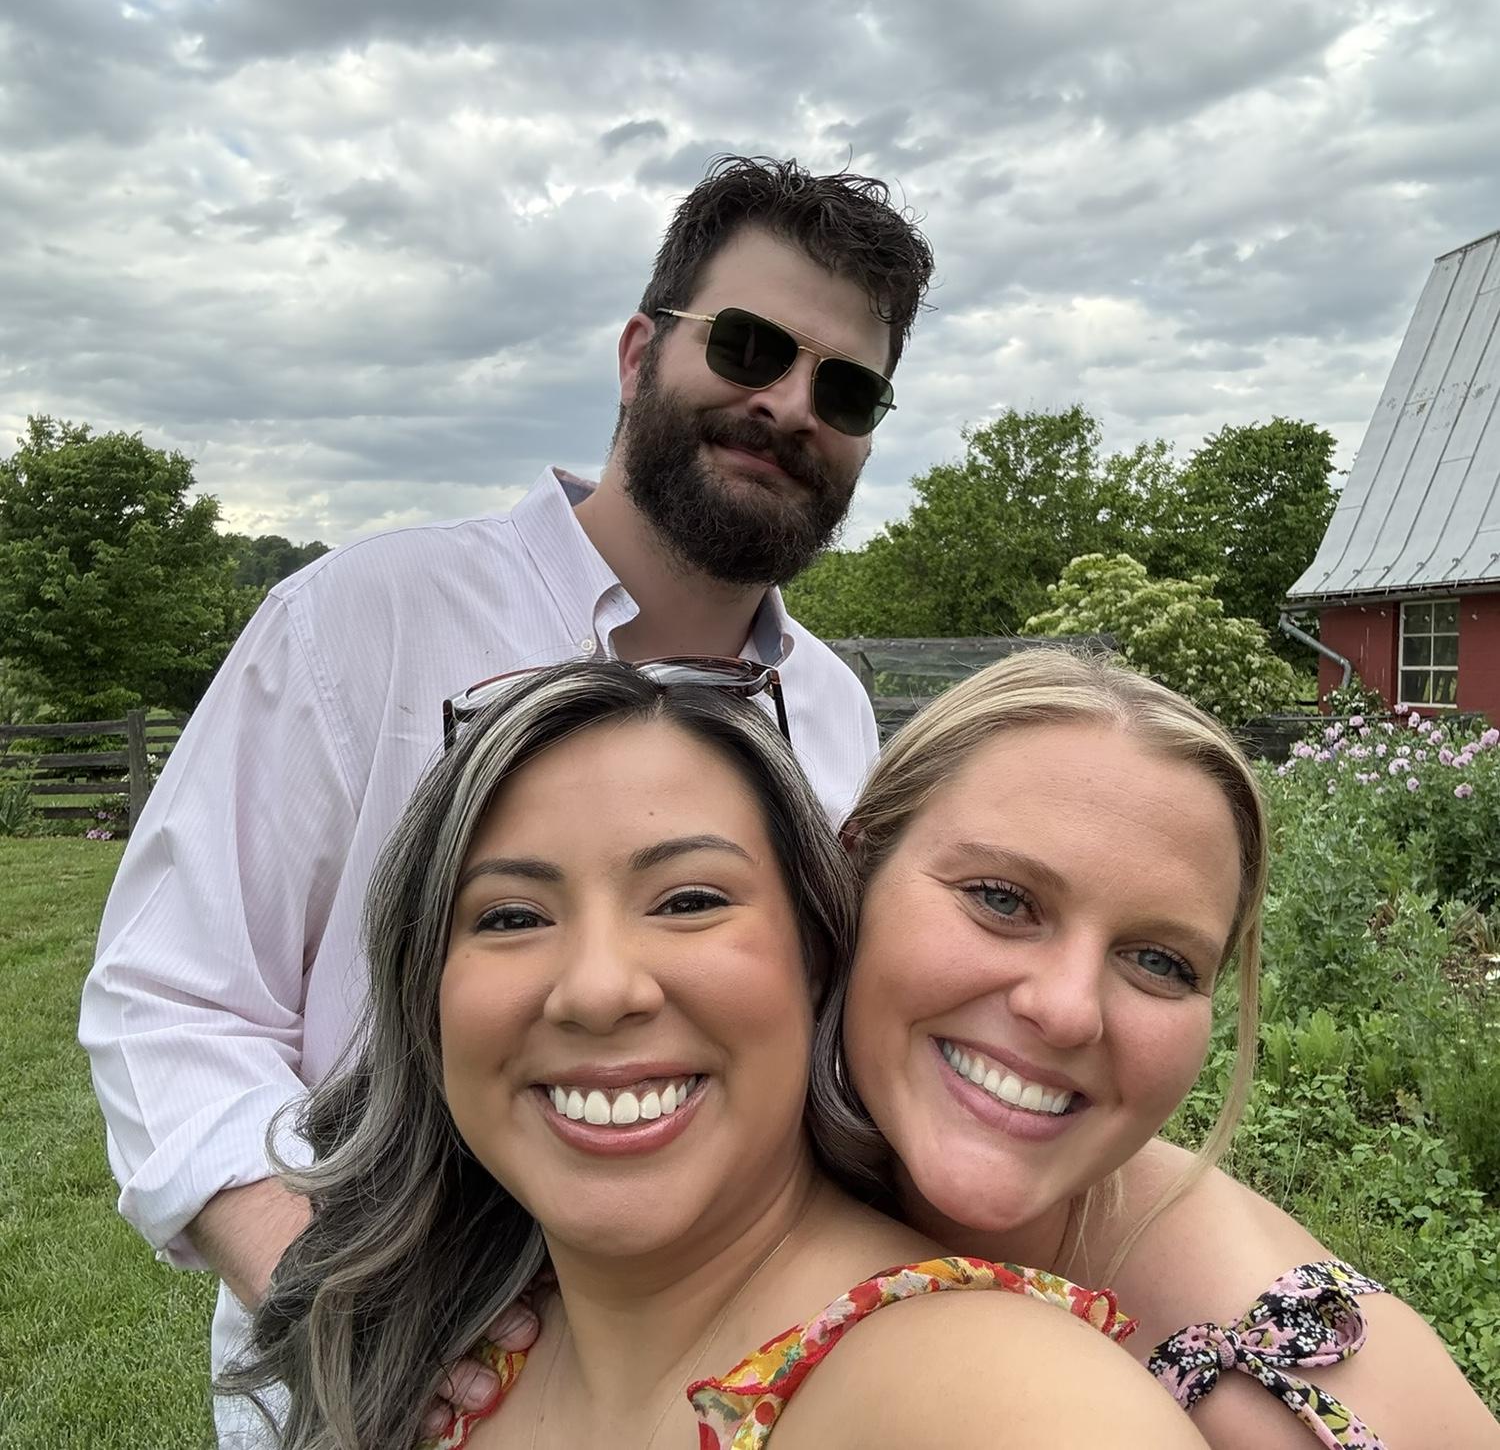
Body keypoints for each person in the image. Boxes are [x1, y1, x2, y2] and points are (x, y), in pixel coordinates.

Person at [79, 155, 933, 1444]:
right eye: (750, 346)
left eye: (845, 387)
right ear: (641, 351)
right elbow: (169, 997)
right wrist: (338, 1294)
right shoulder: (360, 621)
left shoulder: (830, 710)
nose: (789, 404)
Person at [221, 660, 1210, 1450]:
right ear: (426, 1000)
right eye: (512, 916)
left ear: (821, 958)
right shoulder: (442, 1356)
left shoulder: (999, 1403)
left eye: (691, 900)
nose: (600, 989)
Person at [835, 648, 1500, 1448]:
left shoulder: (1275, 1379)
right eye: (1003, 900)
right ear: (852, 871)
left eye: (1159, 962)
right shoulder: (702, 1181)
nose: (1070, 1011)